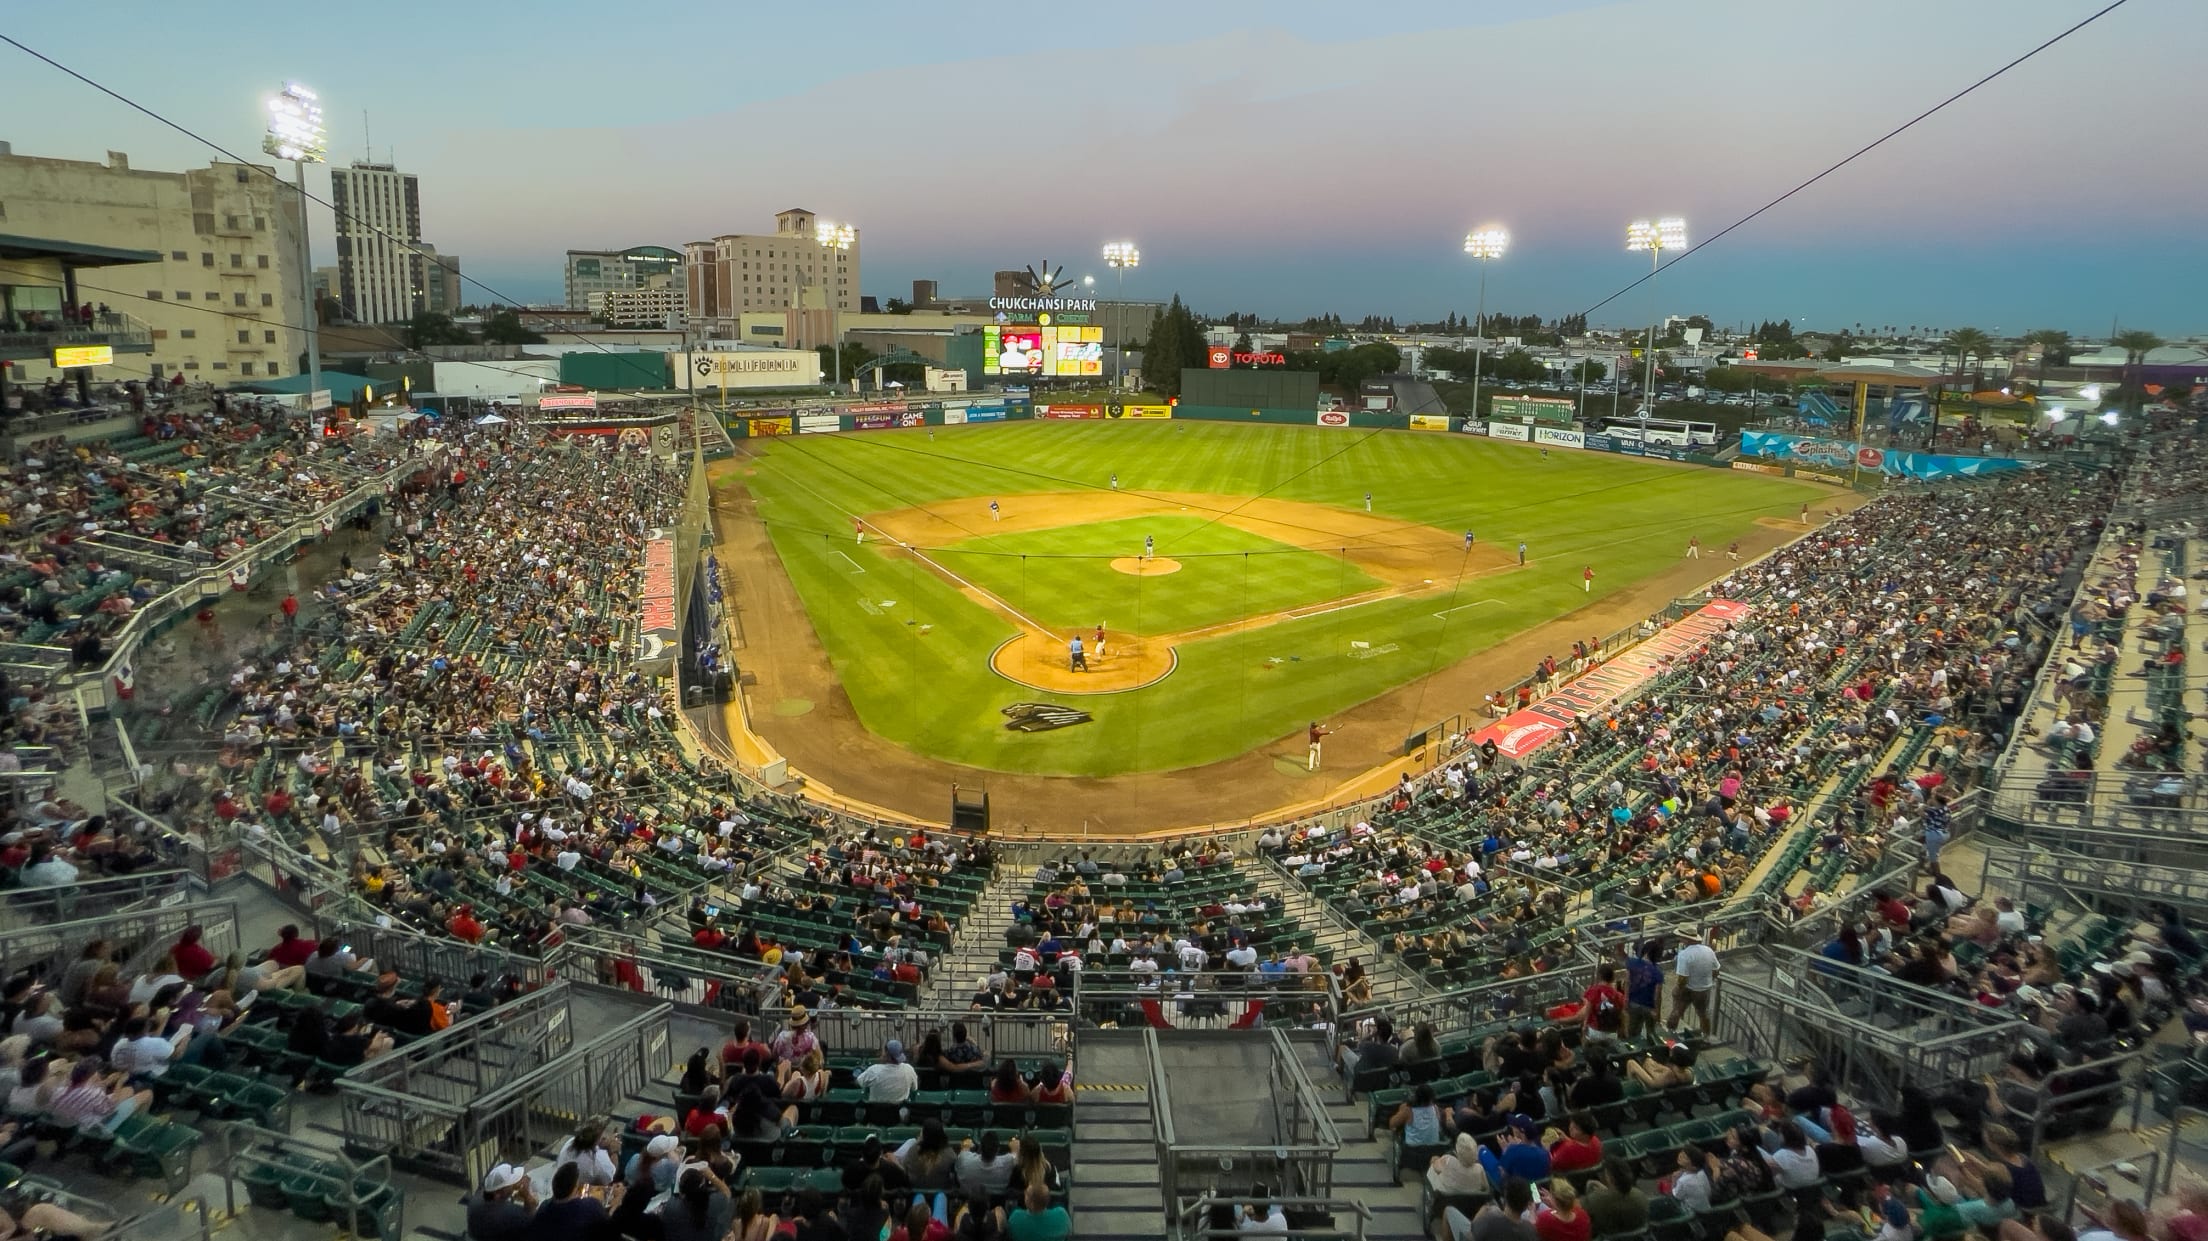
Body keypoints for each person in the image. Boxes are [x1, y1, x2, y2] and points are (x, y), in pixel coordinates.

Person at [535, 1162, 619, 1241]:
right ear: (575, 1188)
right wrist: (615, 1205)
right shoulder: (590, 1207)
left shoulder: (544, 1208)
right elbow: (610, 1231)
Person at [659, 1164, 737, 1241]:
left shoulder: (672, 1207)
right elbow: (727, 1193)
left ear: (681, 1192)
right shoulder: (717, 1202)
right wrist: (711, 1175)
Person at [466, 1162, 539, 1241]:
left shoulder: (477, 1198)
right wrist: (527, 1197)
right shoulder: (510, 1212)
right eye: (510, 1184)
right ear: (498, 1194)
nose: (514, 1184)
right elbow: (533, 1222)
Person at [1669, 928, 1720, 1035]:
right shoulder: (1708, 950)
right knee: (1703, 1014)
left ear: (1686, 939)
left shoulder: (1684, 955)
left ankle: (1670, 1035)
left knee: (1677, 1011)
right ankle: (1706, 1036)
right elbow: (1716, 970)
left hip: (1688, 988)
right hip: (1703, 989)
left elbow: (1682, 979)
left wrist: (1678, 989)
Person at [957, 1129, 1018, 1199]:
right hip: (998, 1204)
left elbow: (964, 1150)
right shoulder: (1009, 1162)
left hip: (969, 1202)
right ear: (997, 1150)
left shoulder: (965, 1161)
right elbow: (1016, 1153)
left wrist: (966, 1146)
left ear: (980, 1148)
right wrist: (1014, 1145)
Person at [858, 1039, 919, 1103]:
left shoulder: (874, 1070)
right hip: (899, 1112)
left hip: (875, 1111)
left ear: (887, 1054)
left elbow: (858, 1082)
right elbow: (914, 1088)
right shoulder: (908, 1069)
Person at [1007, 1180, 1071, 1241]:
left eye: (1026, 1193)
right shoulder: (1062, 1216)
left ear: (1028, 1201)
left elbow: (1010, 1235)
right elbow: (1069, 1233)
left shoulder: (1016, 1218)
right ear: (1048, 1200)